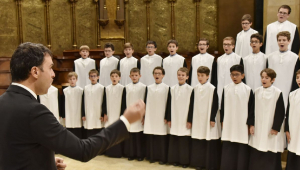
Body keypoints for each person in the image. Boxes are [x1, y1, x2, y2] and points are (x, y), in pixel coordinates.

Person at [0, 42, 145, 170]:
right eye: (50, 68)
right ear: (35, 71)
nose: (53, 74)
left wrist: (45, 161)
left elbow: (15, 147)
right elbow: (83, 150)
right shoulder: (35, 111)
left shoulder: (3, 101)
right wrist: (126, 120)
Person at [248, 68, 285, 170]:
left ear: (272, 80)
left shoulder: (277, 92)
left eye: (266, 78)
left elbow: (280, 112)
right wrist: (251, 124)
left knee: (270, 147)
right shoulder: (257, 91)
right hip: (258, 125)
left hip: (270, 127)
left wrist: (276, 127)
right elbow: (252, 109)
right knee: (257, 147)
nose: (263, 79)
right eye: (262, 77)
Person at [220, 65, 254, 170]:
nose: (234, 77)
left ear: (242, 75)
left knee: (241, 146)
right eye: (232, 75)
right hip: (229, 122)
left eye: (237, 75)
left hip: (242, 123)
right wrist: (222, 120)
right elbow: (223, 106)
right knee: (228, 145)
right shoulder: (226, 89)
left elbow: (251, 109)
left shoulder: (248, 90)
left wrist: (250, 124)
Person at [190, 66, 221, 170]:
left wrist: (212, 118)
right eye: (198, 75)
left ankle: (209, 164)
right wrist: (190, 120)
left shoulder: (212, 88)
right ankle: (199, 163)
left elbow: (215, 104)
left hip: (208, 118)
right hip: (198, 118)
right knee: (199, 141)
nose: (200, 77)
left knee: (208, 140)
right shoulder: (195, 88)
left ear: (208, 76)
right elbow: (191, 105)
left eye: (202, 75)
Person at [167, 67, 193, 168]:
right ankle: (175, 160)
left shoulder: (190, 89)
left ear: (187, 77)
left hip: (184, 117)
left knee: (184, 141)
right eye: (179, 75)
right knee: (175, 140)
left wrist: (190, 120)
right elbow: (169, 105)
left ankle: (184, 161)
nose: (180, 77)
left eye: (183, 75)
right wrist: (169, 118)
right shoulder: (172, 88)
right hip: (175, 117)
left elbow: (192, 106)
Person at [144, 67, 171, 164]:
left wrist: (167, 117)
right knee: (151, 136)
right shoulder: (149, 87)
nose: (157, 75)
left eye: (159, 73)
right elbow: (145, 103)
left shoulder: (167, 88)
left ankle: (162, 158)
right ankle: (152, 157)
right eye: (155, 73)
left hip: (161, 115)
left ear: (163, 75)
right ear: (153, 75)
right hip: (150, 116)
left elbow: (169, 104)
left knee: (161, 137)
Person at [266, 31, 300, 109]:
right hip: (274, 87)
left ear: (289, 41)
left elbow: (296, 75)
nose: (281, 42)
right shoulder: (271, 57)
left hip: (288, 87)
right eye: (279, 40)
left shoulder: (294, 57)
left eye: (284, 40)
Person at [123, 68, 147, 161]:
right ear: (129, 76)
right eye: (132, 75)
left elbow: (145, 101)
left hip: (139, 114)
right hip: (130, 114)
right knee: (130, 135)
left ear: (140, 76)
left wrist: (144, 115)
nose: (134, 77)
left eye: (136, 75)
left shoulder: (144, 87)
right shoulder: (127, 87)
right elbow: (124, 101)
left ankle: (140, 155)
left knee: (138, 135)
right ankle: (131, 154)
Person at [103, 69, 127, 158]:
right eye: (112, 76)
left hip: (118, 114)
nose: (114, 78)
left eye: (116, 76)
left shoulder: (122, 88)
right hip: (109, 114)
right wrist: (104, 113)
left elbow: (124, 103)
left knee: (117, 132)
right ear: (110, 77)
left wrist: (122, 115)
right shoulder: (107, 88)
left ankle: (118, 153)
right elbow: (104, 102)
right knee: (109, 132)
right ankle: (109, 152)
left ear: (119, 78)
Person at [217, 37, 243, 109]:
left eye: (228, 44)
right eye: (224, 44)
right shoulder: (219, 59)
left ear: (233, 46)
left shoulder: (238, 58)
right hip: (221, 87)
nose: (226, 46)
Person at [82, 69, 106, 138]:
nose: (93, 78)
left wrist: (102, 114)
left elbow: (104, 102)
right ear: (89, 77)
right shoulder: (86, 88)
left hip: (98, 114)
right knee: (89, 132)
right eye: (91, 76)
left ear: (98, 77)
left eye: (94, 76)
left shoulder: (101, 88)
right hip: (88, 113)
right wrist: (83, 114)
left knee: (98, 132)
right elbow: (83, 102)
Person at [285, 69, 300, 170]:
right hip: (294, 131)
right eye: (297, 78)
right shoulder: (292, 94)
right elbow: (288, 113)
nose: (299, 80)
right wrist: (287, 130)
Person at [61, 72, 84, 139]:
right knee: (69, 133)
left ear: (76, 80)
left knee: (78, 133)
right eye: (70, 79)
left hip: (78, 113)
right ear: (68, 80)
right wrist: (64, 115)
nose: (72, 81)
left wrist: (83, 114)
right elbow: (63, 103)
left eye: (74, 79)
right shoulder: (65, 90)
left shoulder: (81, 90)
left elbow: (83, 104)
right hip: (69, 114)